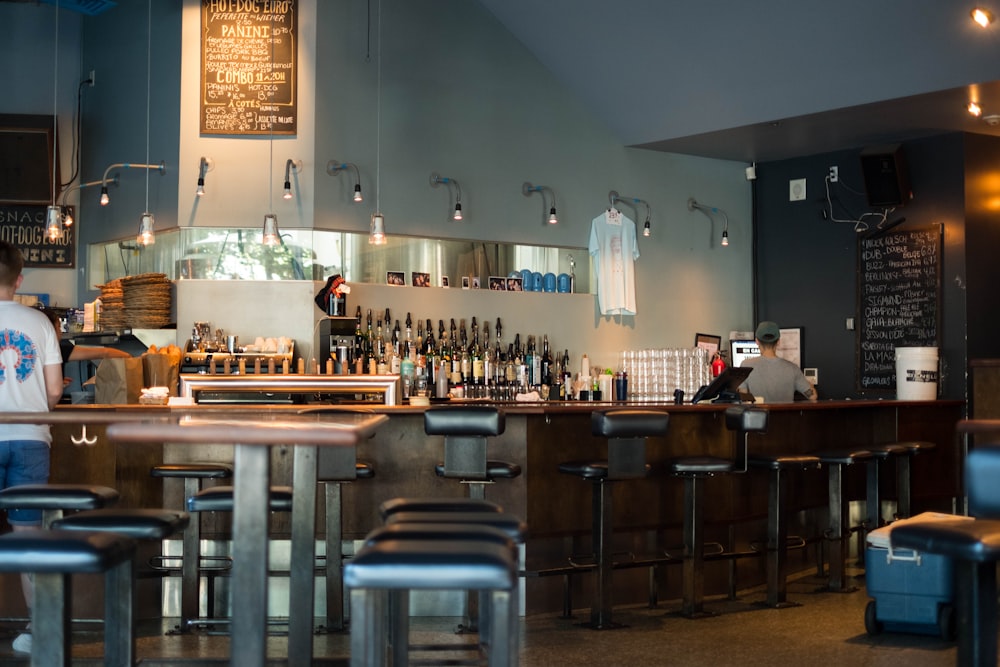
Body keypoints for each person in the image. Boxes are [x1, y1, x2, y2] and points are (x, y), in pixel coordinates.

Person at [0, 241, 64, 654]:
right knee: (27, 535)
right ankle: (37, 630)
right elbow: (55, 391)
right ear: (19, 279)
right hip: (29, 439)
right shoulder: (38, 322)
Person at [738, 321, 817, 403]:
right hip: (784, 415)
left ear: (757, 341)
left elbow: (743, 396)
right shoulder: (793, 368)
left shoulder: (746, 365)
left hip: (757, 415)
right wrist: (809, 385)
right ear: (778, 341)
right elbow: (812, 396)